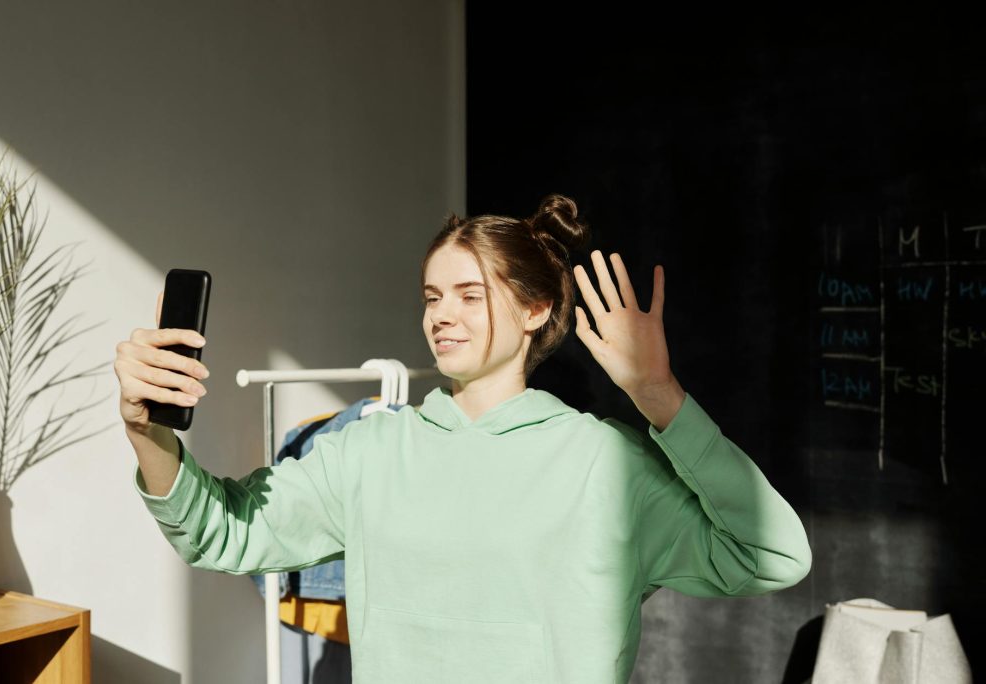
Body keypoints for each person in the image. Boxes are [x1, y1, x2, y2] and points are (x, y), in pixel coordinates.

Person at [113, 194, 812, 683]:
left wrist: (660, 397)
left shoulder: (603, 462)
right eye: (432, 297)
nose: (441, 316)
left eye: (470, 295)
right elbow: (220, 532)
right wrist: (146, 429)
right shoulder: (370, 452)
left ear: (536, 308)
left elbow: (771, 554)